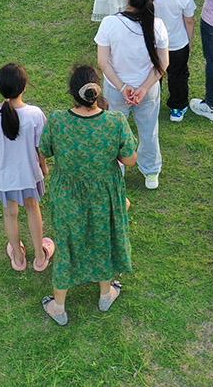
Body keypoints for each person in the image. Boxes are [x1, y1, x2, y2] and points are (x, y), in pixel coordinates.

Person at [37, 64, 139, 325]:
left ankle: (59, 306)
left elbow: (44, 150)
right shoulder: (115, 122)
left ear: (73, 92)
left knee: (67, 244)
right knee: (102, 238)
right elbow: (130, 160)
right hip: (103, 195)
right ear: (97, 91)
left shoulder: (58, 120)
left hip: (67, 195)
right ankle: (106, 294)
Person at [0, 63, 53, 272]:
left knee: (10, 214)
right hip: (29, 174)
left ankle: (18, 258)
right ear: (24, 87)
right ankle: (40, 258)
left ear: (0, 88)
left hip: (3, 177)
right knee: (33, 209)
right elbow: (40, 147)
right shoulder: (35, 115)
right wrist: (43, 166)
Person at [96, 0, 169, 190]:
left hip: (116, 90)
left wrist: (122, 87)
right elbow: (163, 63)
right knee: (149, 130)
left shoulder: (109, 23)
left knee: (114, 132)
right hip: (148, 90)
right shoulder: (158, 26)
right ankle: (151, 172)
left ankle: (116, 169)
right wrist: (144, 88)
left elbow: (103, 61)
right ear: (152, 0)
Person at [152, 0, 198, 123]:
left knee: (154, 74)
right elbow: (189, 20)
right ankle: (177, 108)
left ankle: (152, 104)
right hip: (178, 44)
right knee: (178, 75)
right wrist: (190, 41)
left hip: (154, 44)